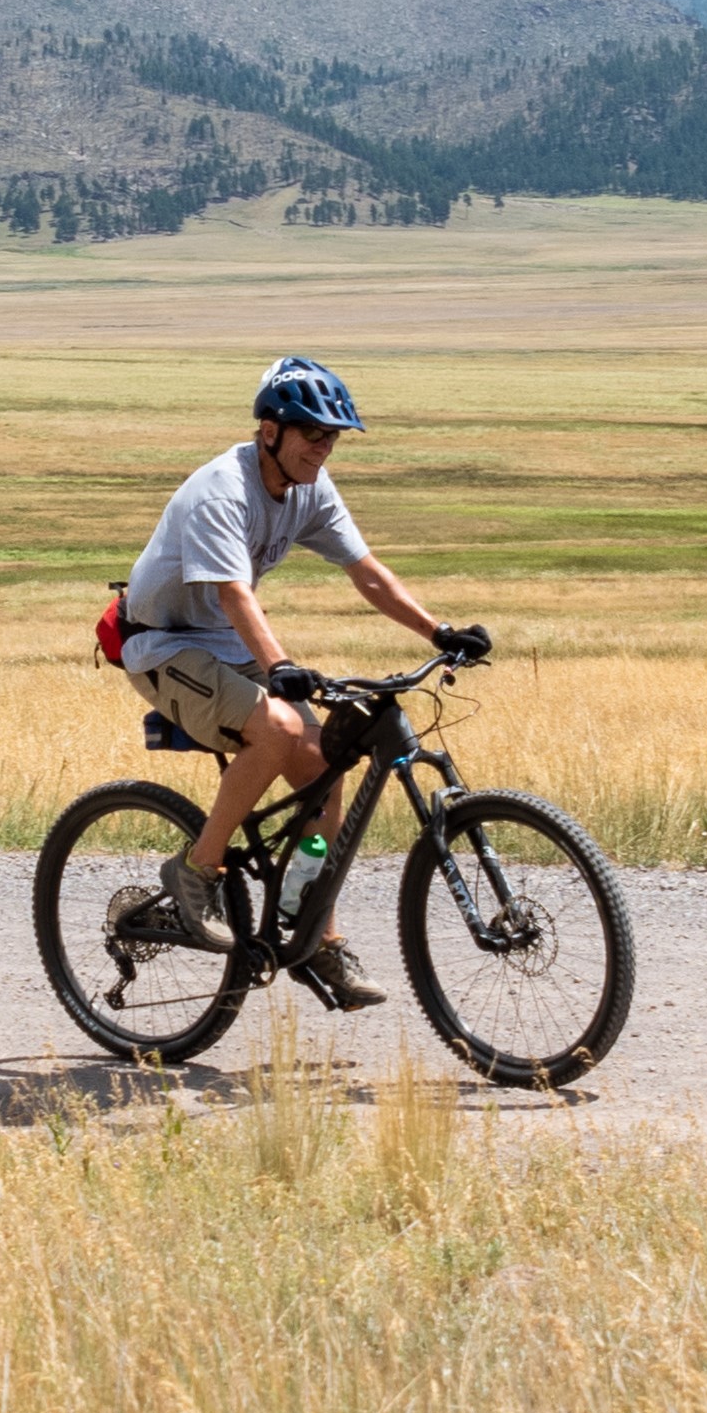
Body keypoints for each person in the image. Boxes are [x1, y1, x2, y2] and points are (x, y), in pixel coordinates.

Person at [113, 355, 483, 1012]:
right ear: (269, 432)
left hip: (226, 646)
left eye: (332, 435)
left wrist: (439, 632)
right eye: (311, 431)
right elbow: (233, 595)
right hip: (163, 643)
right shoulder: (220, 490)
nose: (323, 445)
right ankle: (195, 871)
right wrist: (281, 666)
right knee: (281, 727)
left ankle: (316, 935)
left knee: (324, 762)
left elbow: (366, 571)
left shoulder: (312, 485)